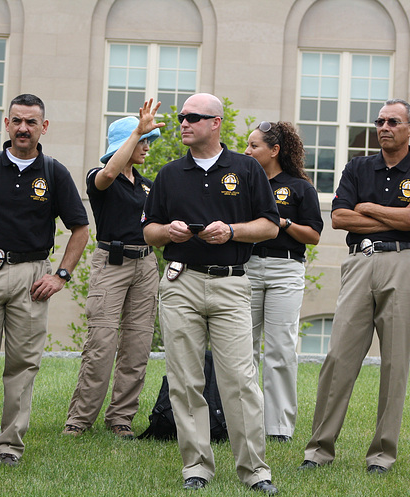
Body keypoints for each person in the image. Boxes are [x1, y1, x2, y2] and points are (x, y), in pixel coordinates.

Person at [143, 93, 280, 494]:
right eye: (182, 117)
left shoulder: (246, 169)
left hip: (231, 282)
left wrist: (233, 231)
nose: (183, 123)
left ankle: (255, 470)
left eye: (193, 117)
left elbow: (270, 226)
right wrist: (168, 232)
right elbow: (148, 230)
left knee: (240, 379)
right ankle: (197, 467)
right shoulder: (169, 174)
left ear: (216, 123)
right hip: (180, 282)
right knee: (185, 380)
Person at [299, 99, 410, 474]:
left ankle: (381, 456)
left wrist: (367, 208)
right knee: (338, 360)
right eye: (379, 121)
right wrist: (395, 213)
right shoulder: (358, 167)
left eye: (393, 121)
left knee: (396, 364)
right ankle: (318, 451)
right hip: (359, 264)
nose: (384, 127)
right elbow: (339, 217)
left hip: (403, 265)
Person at [0, 94, 89, 466]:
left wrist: (60, 276)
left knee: (23, 364)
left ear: (44, 127)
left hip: (33, 279)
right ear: (6, 124)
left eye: (32, 122)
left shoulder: (54, 172)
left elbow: (80, 228)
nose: (24, 128)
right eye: (17, 121)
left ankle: (9, 446)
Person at [63, 100, 163, 439]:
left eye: (148, 141)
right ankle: (80, 420)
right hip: (112, 263)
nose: (147, 147)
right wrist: (137, 131)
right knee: (102, 344)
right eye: (142, 142)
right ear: (126, 143)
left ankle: (121, 418)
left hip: (146, 264)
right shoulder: (98, 177)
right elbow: (108, 174)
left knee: (138, 344)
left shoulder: (148, 185)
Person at [244, 121, 323, 443]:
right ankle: (240, 421)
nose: (246, 151)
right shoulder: (244, 184)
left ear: (274, 151)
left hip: (285, 271)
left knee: (280, 348)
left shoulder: (301, 187)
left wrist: (285, 222)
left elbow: (314, 235)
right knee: (240, 348)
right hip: (246, 268)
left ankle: (278, 427)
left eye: (253, 146)